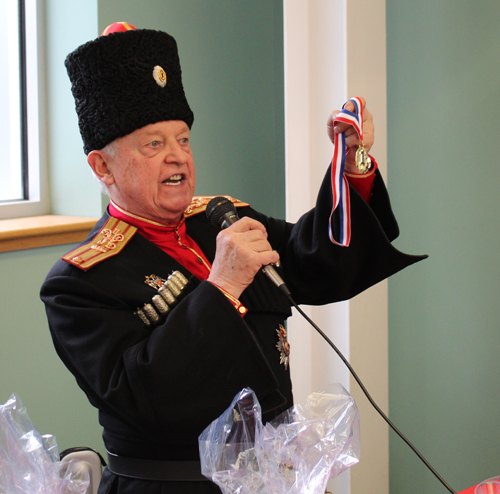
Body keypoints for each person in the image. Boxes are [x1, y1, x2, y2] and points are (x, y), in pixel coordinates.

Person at [40, 22, 425, 494]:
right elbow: (142, 397)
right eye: (154, 145)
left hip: (279, 478)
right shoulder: (78, 282)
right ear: (103, 167)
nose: (178, 158)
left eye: (183, 139)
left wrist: (352, 167)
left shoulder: (221, 218)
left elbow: (320, 262)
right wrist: (220, 286)